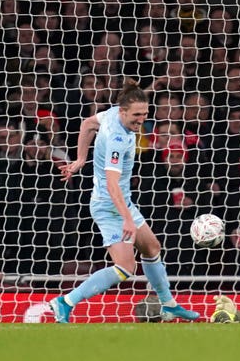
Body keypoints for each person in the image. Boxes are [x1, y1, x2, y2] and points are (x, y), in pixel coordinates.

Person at [49, 79, 199, 323]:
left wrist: (80, 159)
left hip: (121, 201)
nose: (141, 120)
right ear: (123, 112)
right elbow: (112, 184)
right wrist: (127, 219)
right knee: (125, 268)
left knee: (151, 248)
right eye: (136, 115)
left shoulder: (110, 115)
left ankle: (169, 305)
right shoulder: (117, 139)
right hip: (109, 206)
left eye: (145, 114)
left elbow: (87, 124)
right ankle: (64, 302)